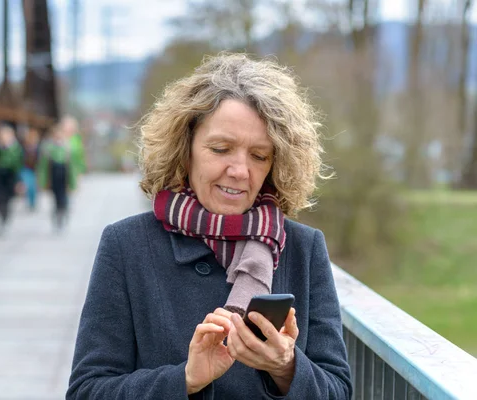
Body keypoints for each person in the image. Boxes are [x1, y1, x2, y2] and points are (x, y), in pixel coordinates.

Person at [66, 53, 352, 399]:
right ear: (185, 149)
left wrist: (286, 367)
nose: (240, 171)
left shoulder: (303, 248)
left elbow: (338, 390)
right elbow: (87, 391)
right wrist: (184, 380)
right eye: (221, 149)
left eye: (259, 156)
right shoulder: (126, 245)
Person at [37, 124, 76, 230]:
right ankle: (57, 216)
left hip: (64, 178)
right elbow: (43, 167)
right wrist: (42, 181)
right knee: (55, 199)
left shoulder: (67, 148)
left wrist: (73, 183)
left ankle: (63, 213)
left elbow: (71, 167)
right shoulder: (48, 149)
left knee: (64, 198)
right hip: (53, 178)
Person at [59, 115, 87, 189]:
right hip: (59, 169)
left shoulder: (77, 139)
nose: (68, 128)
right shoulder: (58, 138)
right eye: (66, 126)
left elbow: (80, 155)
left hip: (73, 169)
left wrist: (81, 169)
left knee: (71, 192)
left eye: (70, 126)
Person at [20, 127, 41, 211]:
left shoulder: (38, 148)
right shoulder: (24, 148)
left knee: (33, 187)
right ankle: (29, 201)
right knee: (28, 185)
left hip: (35, 169)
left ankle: (33, 202)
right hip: (26, 169)